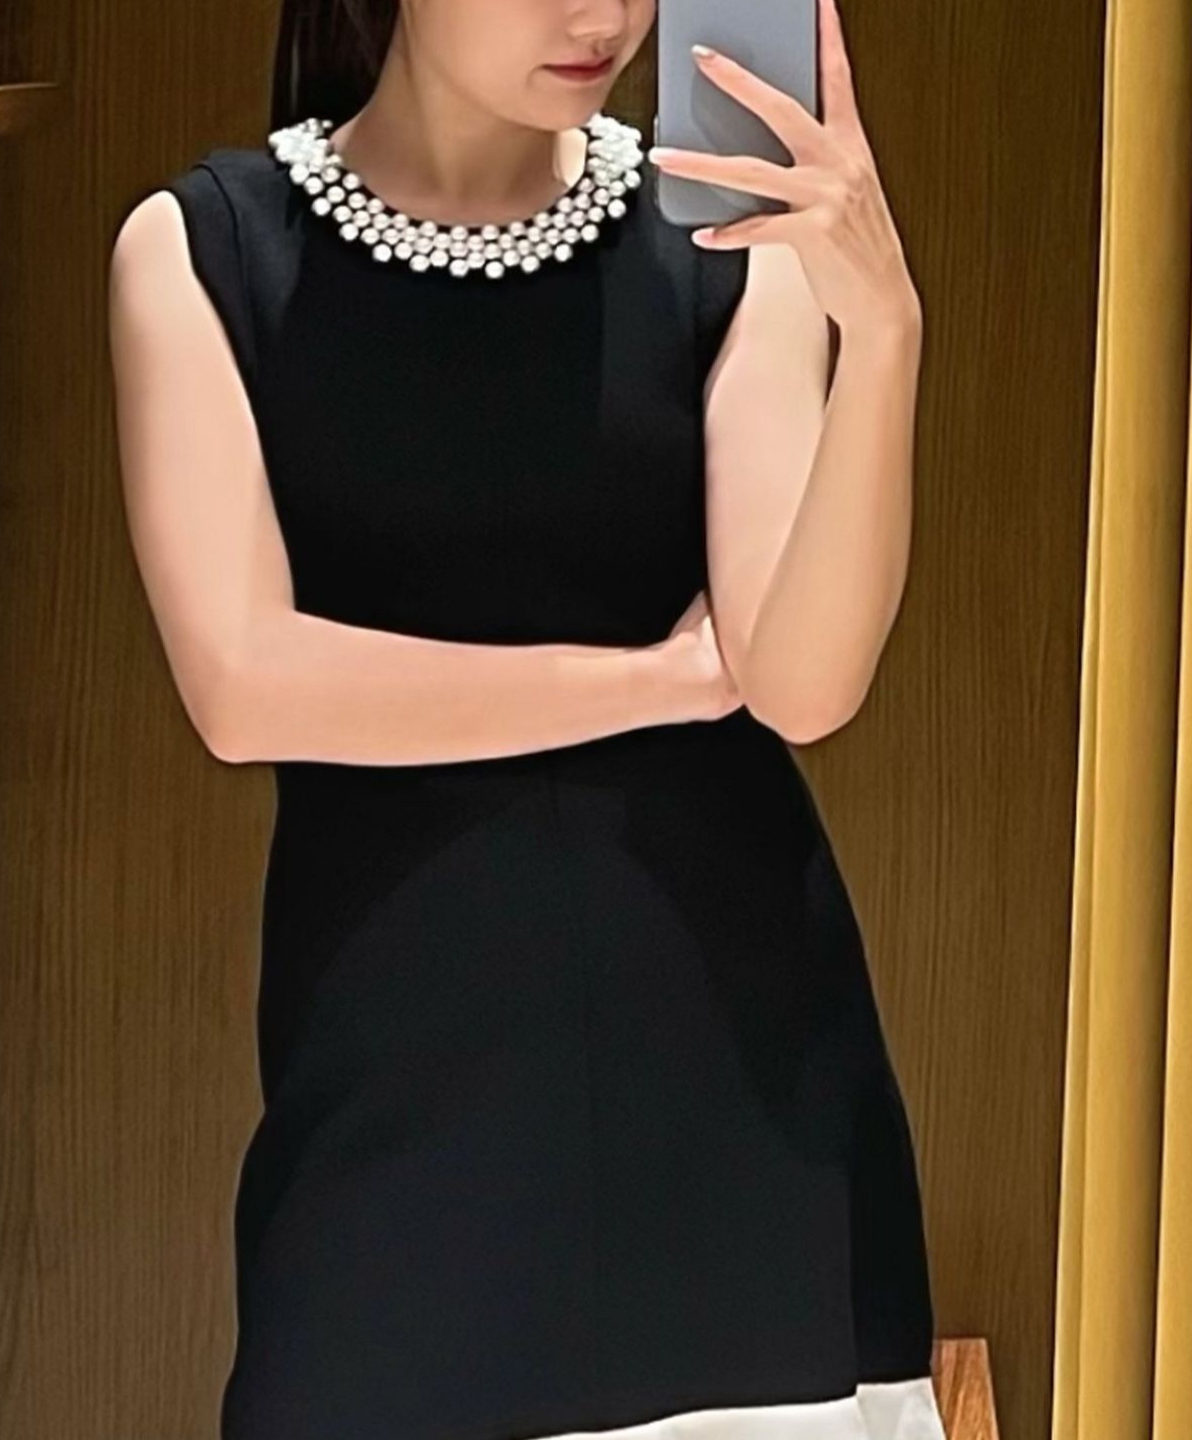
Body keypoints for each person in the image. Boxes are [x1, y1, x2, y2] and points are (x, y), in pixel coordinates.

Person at [107, 0, 945, 1435]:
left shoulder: (726, 243)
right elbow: (244, 684)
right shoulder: (206, 249)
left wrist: (883, 333)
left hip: (734, 1079)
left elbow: (802, 680)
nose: (600, 17)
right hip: (396, 1086)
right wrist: (659, 681)